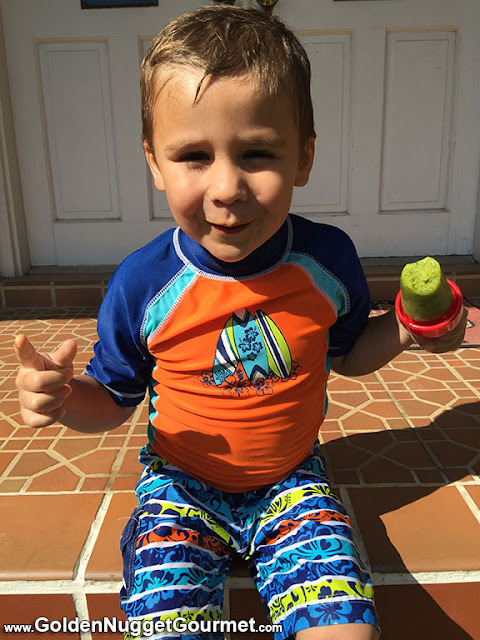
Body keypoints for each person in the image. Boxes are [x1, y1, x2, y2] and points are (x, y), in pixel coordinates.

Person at [14, 5, 467, 640]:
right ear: (154, 163)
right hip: (180, 488)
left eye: (257, 152)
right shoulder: (144, 285)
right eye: (194, 155)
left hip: (293, 486)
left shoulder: (326, 261)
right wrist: (64, 401)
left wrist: (404, 329)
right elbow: (112, 401)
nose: (227, 187)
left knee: (345, 629)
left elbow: (349, 351)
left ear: (304, 158)